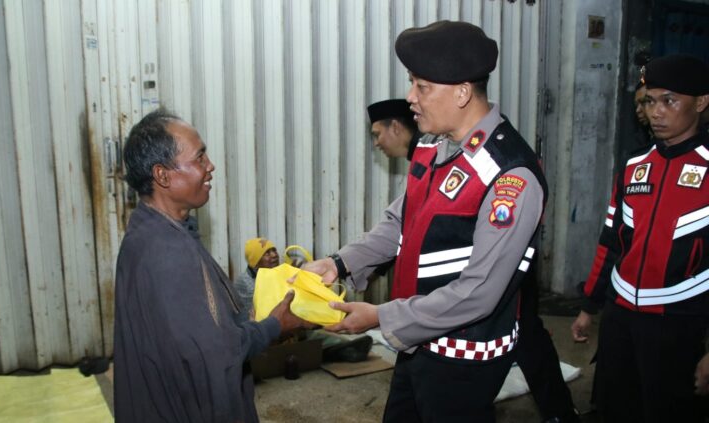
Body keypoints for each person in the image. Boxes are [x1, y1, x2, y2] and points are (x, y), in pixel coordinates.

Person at [303, 21, 549, 422]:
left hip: (463, 358)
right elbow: (398, 223)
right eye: (411, 83)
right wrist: (339, 263)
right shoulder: (435, 146)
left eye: (422, 87)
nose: (410, 98)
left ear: (463, 92)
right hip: (418, 341)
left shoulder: (509, 175)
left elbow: (478, 292)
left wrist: (382, 317)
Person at [113, 109, 311, 423]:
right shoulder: (168, 252)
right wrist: (275, 325)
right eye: (199, 158)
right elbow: (216, 354)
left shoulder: (147, 230)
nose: (210, 166)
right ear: (163, 175)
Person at [571, 54, 709, 422]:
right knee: (615, 407)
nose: (656, 112)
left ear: (701, 102)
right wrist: (590, 306)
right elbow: (611, 241)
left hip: (679, 323)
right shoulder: (635, 167)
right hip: (620, 319)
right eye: (649, 101)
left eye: (669, 100)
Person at [234, 237, 280, 321]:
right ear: (255, 261)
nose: (274, 255)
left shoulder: (273, 274)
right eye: (267, 253)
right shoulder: (246, 283)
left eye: (274, 250)